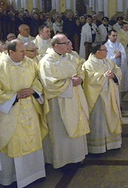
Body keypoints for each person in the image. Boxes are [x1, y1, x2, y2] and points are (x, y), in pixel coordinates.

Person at [0, 39, 47, 187]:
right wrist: (14, 96)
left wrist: (33, 90)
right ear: (10, 52)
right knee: (13, 145)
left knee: (31, 140)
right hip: (9, 114)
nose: (25, 55)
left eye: (25, 51)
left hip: (30, 110)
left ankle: (35, 174)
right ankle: (10, 178)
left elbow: (38, 80)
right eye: (21, 52)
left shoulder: (30, 64)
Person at [39, 34, 90, 170]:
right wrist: (69, 83)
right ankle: (64, 161)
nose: (69, 45)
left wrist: (80, 78)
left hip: (75, 98)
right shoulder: (47, 61)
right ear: (56, 45)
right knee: (61, 131)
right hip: (59, 102)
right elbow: (48, 84)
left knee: (77, 123)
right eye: (66, 43)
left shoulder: (70, 57)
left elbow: (80, 69)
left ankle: (78, 157)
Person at [82, 42, 122, 154]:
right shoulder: (88, 64)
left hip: (110, 94)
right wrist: (104, 77)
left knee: (111, 116)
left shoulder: (108, 61)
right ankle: (98, 148)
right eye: (104, 50)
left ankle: (113, 144)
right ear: (98, 52)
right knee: (99, 121)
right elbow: (89, 80)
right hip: (98, 98)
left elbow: (117, 69)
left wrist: (113, 75)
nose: (107, 52)